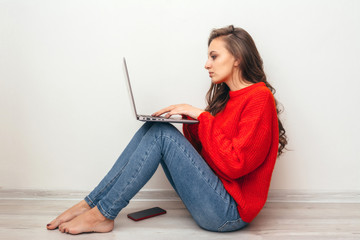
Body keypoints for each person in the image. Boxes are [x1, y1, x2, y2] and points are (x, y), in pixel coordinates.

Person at [46, 25, 287, 234]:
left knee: (162, 135)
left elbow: (236, 165)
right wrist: (191, 122)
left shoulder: (259, 97)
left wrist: (202, 117)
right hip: (215, 200)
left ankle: (103, 214)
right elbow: (206, 157)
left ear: (238, 58)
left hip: (229, 213)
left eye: (214, 56)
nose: (206, 64)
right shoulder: (228, 99)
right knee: (155, 126)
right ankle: (91, 204)